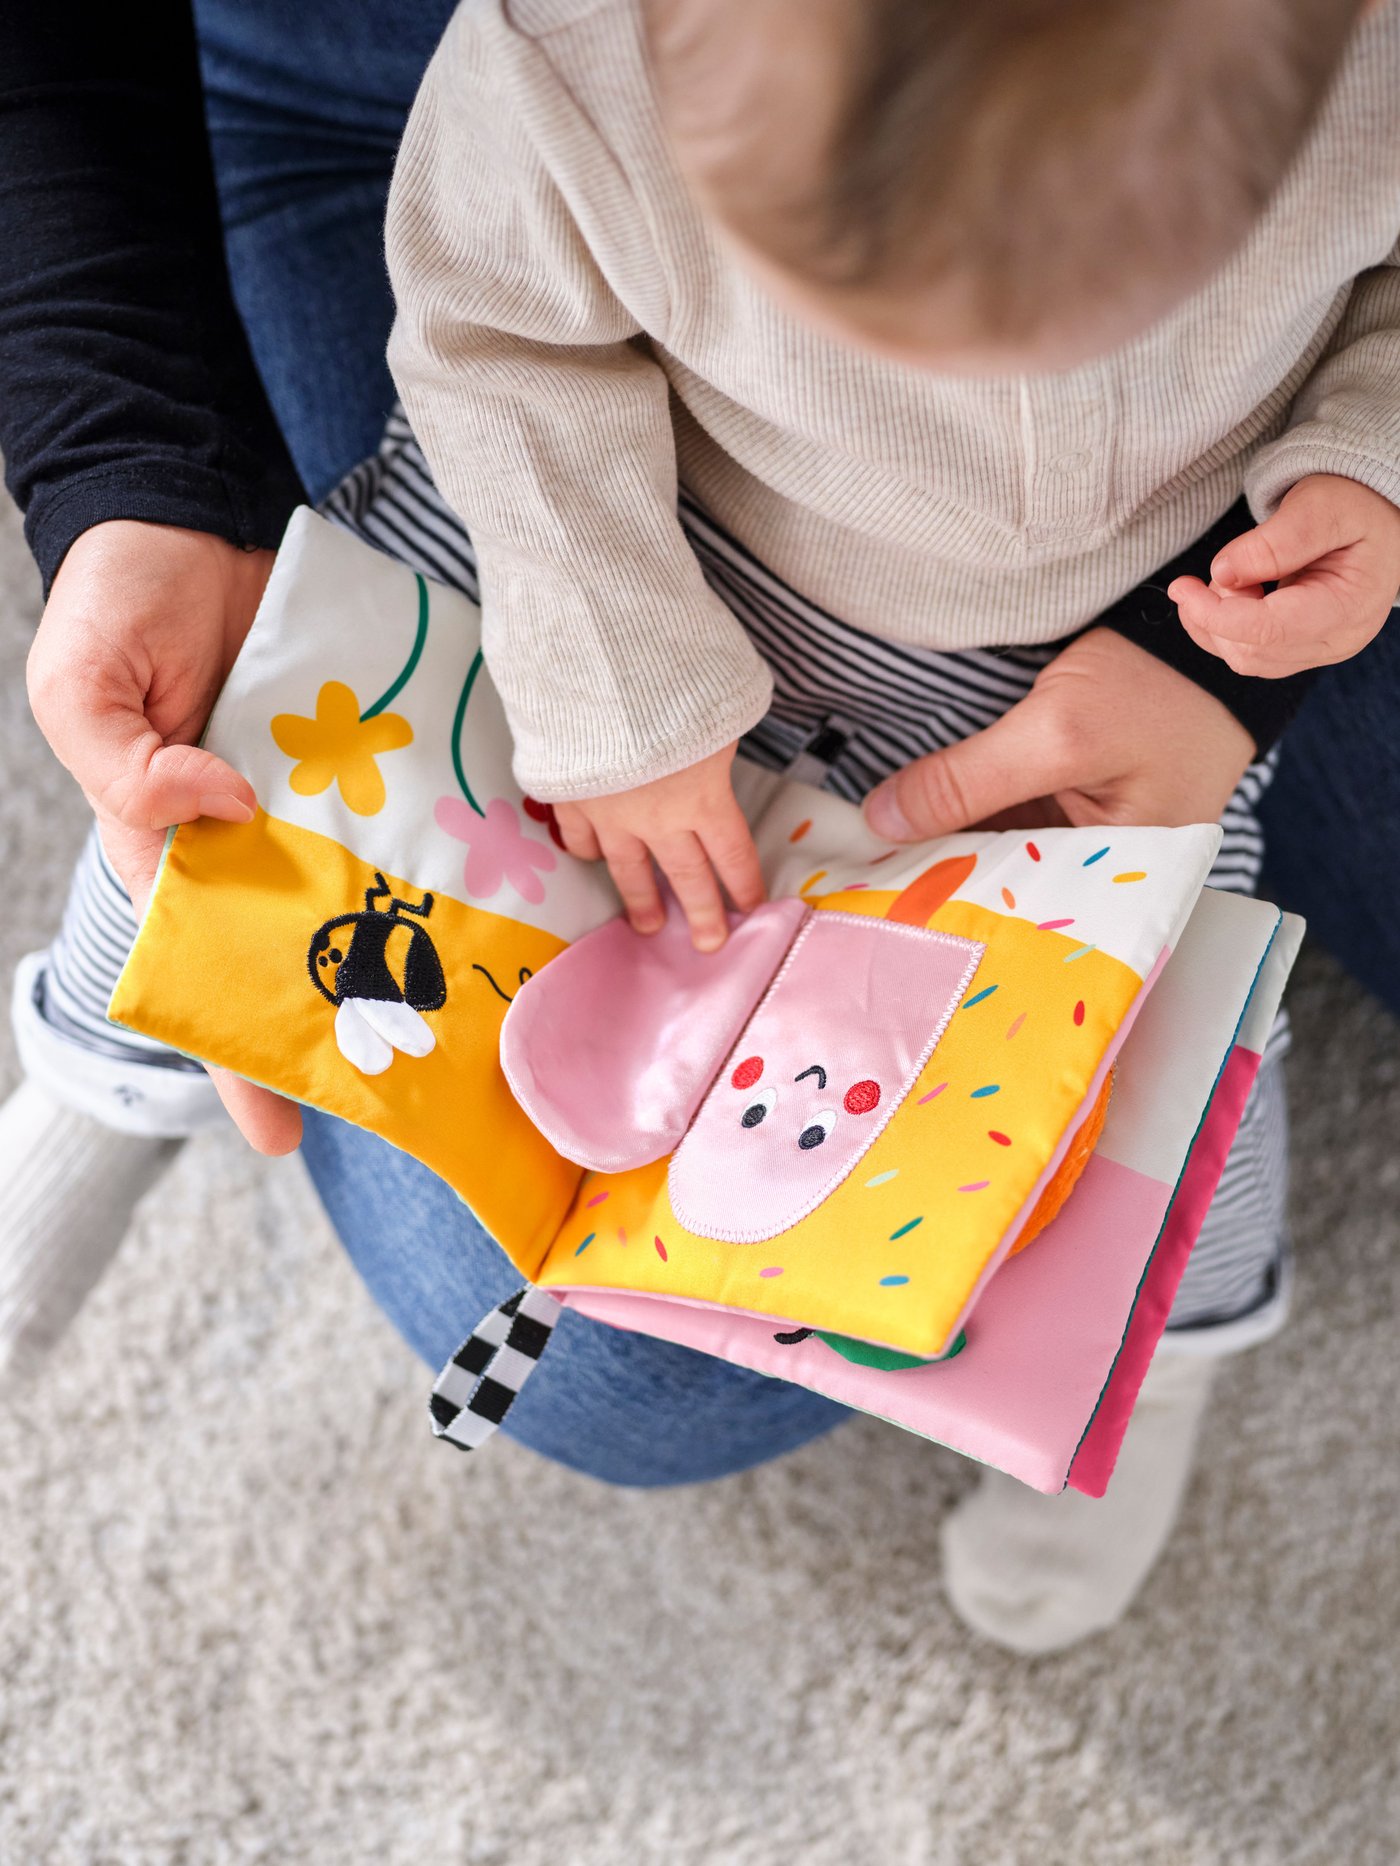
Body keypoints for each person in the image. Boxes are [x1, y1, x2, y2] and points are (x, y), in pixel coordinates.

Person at [0, 0, 1391, 1653]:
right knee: (254, 750)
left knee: (1152, 1033)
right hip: (631, 503)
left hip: (1080, 638)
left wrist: (1361, 466)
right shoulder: (593, 44)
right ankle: (100, 1070)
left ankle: (1149, 1350)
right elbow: (494, 328)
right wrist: (618, 678)